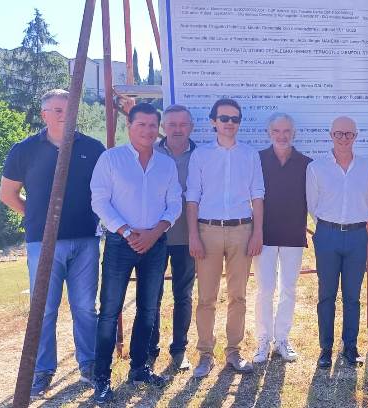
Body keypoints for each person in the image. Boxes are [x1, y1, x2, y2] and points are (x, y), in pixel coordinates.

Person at [0, 89, 105, 397]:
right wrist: (37, 217)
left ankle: (89, 365)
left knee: (85, 307)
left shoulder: (92, 148)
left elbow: (104, 190)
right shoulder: (24, 150)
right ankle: (42, 370)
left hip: (85, 239)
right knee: (43, 309)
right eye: (57, 110)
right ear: (44, 114)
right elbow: (7, 194)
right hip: (42, 243)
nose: (64, 114)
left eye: (68, 108)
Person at [90, 102, 182, 402]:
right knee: (109, 311)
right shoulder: (111, 159)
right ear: (129, 126)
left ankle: (139, 368)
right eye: (141, 124)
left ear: (158, 129)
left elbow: (174, 204)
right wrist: (127, 232)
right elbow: (100, 201)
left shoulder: (166, 164)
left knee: (148, 309)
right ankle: (102, 379)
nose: (147, 130)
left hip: (155, 243)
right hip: (120, 243)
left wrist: (154, 233)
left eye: (152, 125)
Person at [186, 98, 264, 378]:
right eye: (224, 118)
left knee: (238, 296)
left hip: (242, 231)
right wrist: (193, 235)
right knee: (206, 297)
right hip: (208, 231)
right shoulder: (200, 155)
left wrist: (257, 232)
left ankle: (233, 351)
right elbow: (192, 197)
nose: (230, 123)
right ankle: (205, 354)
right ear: (213, 122)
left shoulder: (250, 155)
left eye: (234, 119)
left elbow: (258, 195)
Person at [306, 116, 368, 367]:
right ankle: (325, 348)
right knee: (326, 294)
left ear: (356, 136)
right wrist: (331, 225)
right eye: (339, 133)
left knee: (352, 295)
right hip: (327, 235)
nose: (344, 138)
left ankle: (350, 346)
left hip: (357, 235)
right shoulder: (316, 168)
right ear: (331, 135)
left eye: (349, 134)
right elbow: (312, 205)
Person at [253, 113, 312, 364]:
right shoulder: (257, 160)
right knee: (265, 289)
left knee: (288, 288)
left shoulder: (306, 164)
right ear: (269, 133)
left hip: (293, 234)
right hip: (263, 235)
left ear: (293, 133)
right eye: (276, 131)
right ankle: (263, 340)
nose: (282, 135)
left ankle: (282, 340)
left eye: (286, 131)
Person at [147, 104, 197, 371]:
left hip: (188, 236)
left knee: (183, 295)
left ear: (191, 127)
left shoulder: (201, 155)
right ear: (163, 127)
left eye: (183, 124)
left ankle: (179, 350)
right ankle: (149, 350)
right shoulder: (149, 152)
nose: (177, 129)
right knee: (152, 295)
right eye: (172, 124)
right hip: (154, 235)